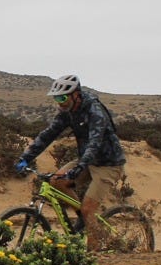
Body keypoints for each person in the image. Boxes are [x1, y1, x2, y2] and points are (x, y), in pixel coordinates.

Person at [13, 74, 126, 251]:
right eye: (56, 97)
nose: (60, 102)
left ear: (75, 95)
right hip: (86, 160)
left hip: (108, 164)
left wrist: (81, 165)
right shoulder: (68, 113)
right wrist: (26, 157)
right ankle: (84, 218)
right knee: (57, 181)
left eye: (63, 97)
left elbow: (94, 142)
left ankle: (94, 254)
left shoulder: (95, 111)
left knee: (89, 209)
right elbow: (48, 134)